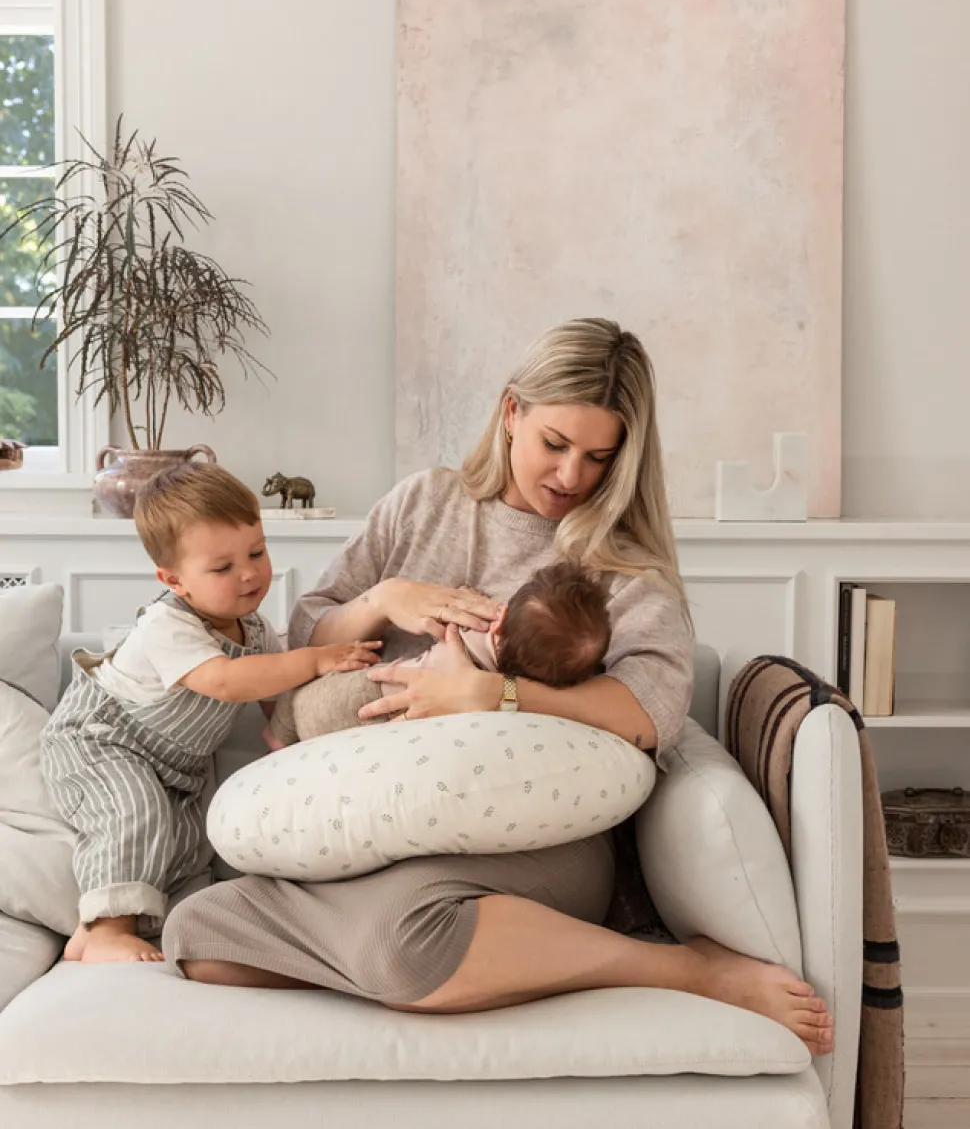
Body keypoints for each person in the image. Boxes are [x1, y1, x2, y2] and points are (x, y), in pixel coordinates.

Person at [163, 319, 834, 1055]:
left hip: (528, 841)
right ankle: (425, 956)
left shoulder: (624, 569)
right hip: (373, 829)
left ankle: (683, 970)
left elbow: (651, 713)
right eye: (556, 444)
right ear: (512, 412)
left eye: (599, 457)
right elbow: (306, 635)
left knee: (404, 940)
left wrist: (492, 696)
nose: (571, 476)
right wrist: (385, 598)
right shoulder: (423, 504)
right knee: (199, 934)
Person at [41, 463, 380, 965]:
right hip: (103, 740)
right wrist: (313, 659)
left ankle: (147, 925)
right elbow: (223, 680)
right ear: (174, 580)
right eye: (222, 568)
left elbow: (277, 702)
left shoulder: (256, 630)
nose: (249, 574)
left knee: (187, 843)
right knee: (132, 809)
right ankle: (103, 930)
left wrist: (295, 746)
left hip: (175, 765)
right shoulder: (166, 625)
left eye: (257, 553)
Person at [266, 560, 612, 746]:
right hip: (364, 733)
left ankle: (277, 737)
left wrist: (467, 596)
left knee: (296, 702)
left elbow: (451, 622)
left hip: (356, 693)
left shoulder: (467, 637)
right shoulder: (509, 693)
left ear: (499, 620)